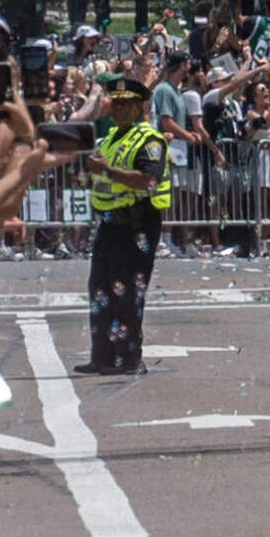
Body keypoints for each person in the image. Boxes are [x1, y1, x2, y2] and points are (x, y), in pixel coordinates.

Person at [80, 74, 170, 374]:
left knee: (128, 291)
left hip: (137, 223)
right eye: (115, 104)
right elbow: (101, 178)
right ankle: (103, 356)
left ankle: (128, 358)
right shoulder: (111, 139)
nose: (118, 109)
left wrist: (108, 172)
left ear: (140, 107)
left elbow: (149, 180)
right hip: (109, 224)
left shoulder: (150, 139)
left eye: (125, 105)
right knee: (100, 288)